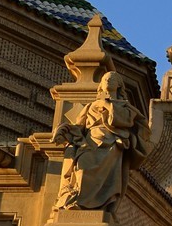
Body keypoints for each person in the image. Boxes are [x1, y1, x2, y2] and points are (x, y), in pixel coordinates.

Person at [55, 71, 148, 212]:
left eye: (111, 79)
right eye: (105, 79)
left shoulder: (125, 107)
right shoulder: (91, 106)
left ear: (118, 84)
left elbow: (128, 122)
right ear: (101, 85)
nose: (107, 81)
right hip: (91, 142)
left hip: (112, 143)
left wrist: (107, 105)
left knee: (108, 180)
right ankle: (76, 201)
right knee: (82, 168)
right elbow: (80, 126)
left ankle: (101, 205)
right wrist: (65, 128)